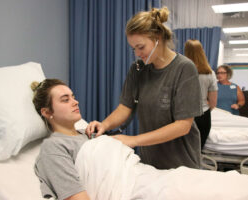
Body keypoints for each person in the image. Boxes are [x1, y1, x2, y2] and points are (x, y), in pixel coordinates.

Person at [32, 79, 248, 200]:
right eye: (65, 99)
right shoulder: (53, 149)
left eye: (73, 95)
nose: (75, 100)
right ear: (47, 112)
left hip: (152, 177)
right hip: (135, 191)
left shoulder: (89, 133)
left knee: (232, 185)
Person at [86, 7, 203, 170]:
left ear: (158, 38)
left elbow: (183, 126)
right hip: (151, 163)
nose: (137, 53)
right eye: (134, 48)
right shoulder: (138, 69)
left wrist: (133, 140)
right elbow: (124, 108)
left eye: (141, 47)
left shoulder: (184, 69)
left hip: (181, 164)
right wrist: (104, 125)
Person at [184, 39, 218, 148]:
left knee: (184, 152)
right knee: (198, 151)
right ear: (202, 51)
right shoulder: (210, 73)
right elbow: (213, 103)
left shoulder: (181, 71)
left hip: (184, 116)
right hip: (203, 116)